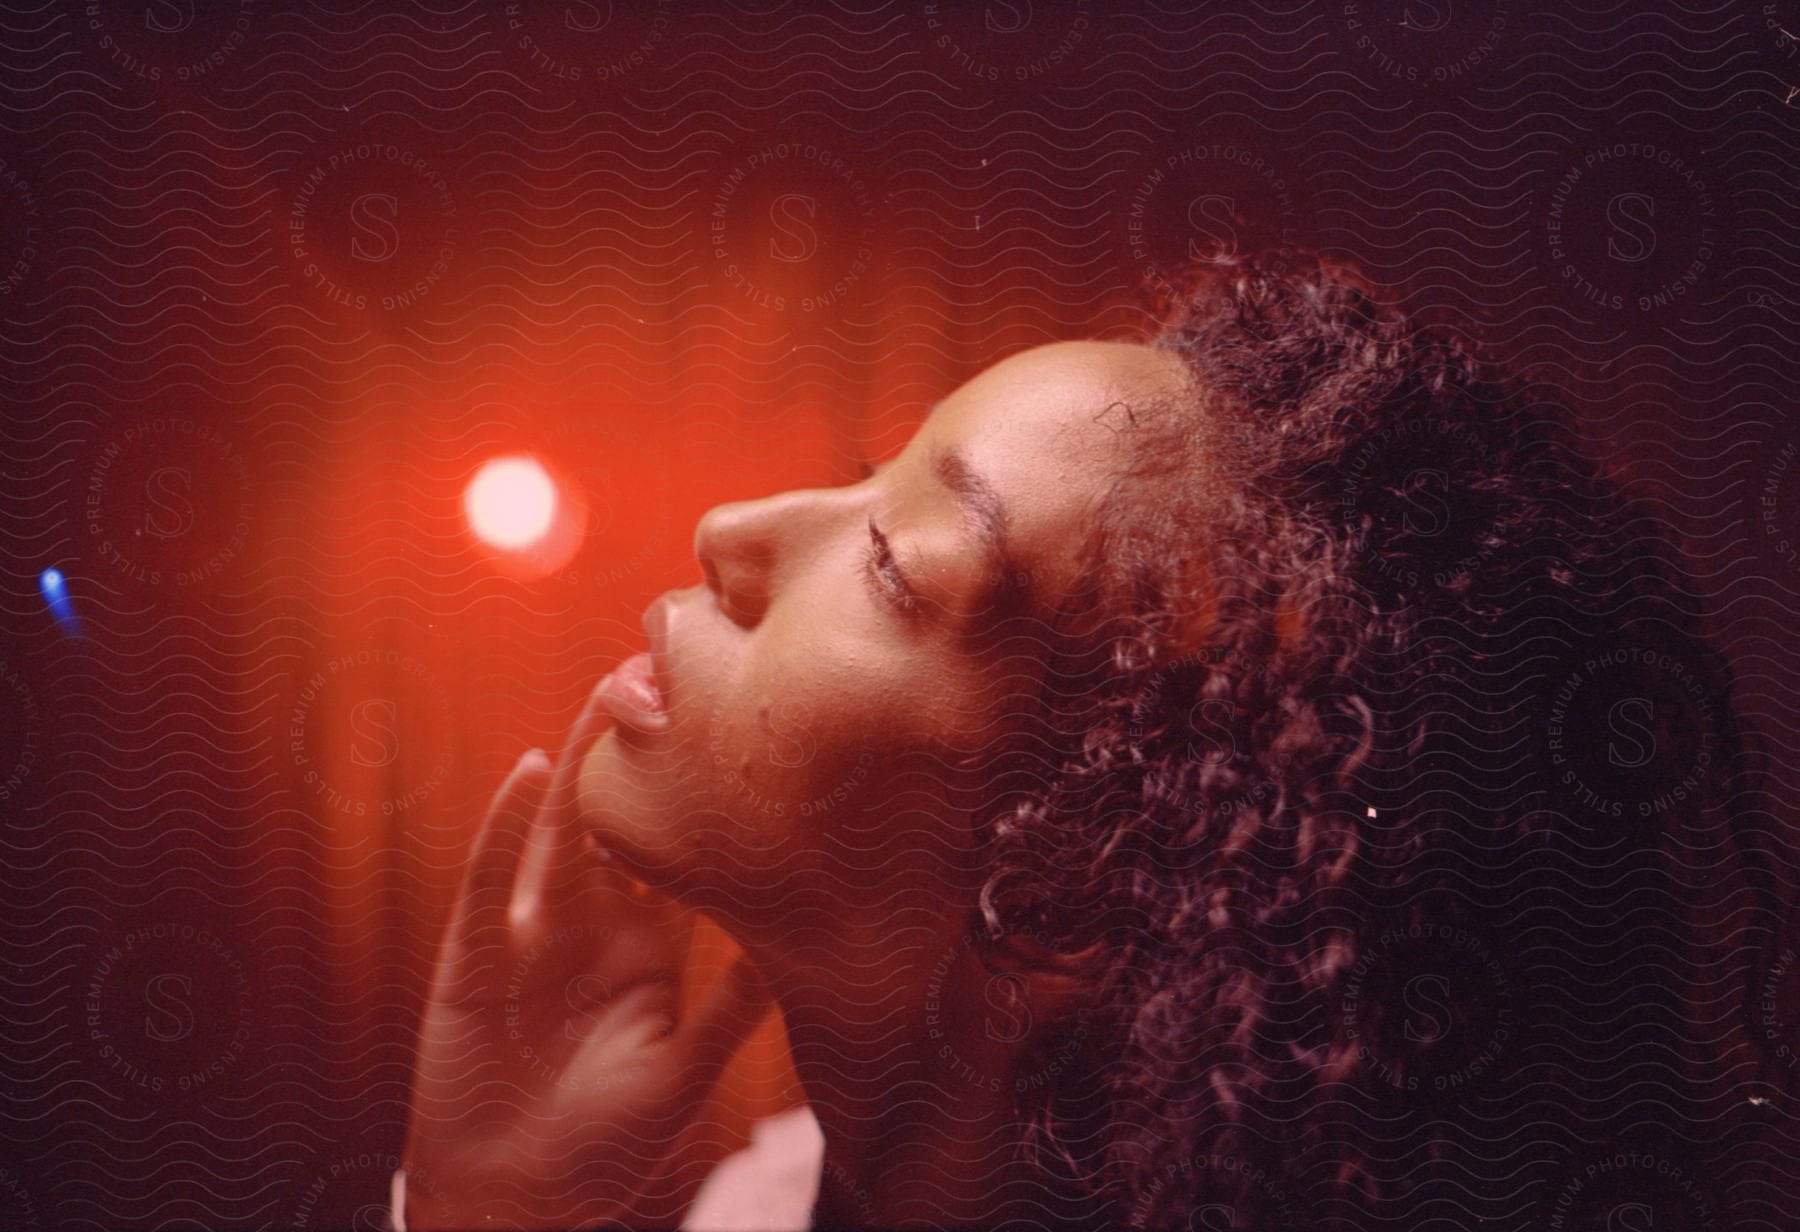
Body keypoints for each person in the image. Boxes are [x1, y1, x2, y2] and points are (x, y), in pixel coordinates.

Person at [397, 253, 1771, 1229]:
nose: (735, 531)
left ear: (1061, 882)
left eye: (893, 561)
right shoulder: (757, 1202)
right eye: (869, 470)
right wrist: (489, 1209)